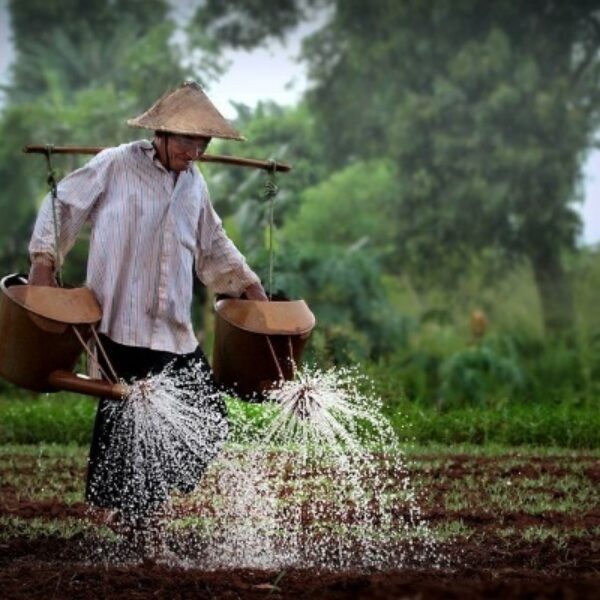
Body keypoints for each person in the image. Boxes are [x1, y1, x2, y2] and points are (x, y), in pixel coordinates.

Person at [27, 81, 268, 556]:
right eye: (186, 140)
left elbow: (212, 243)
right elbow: (64, 204)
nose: (195, 150)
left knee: (207, 419)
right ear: (160, 132)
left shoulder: (194, 184)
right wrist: (43, 262)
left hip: (172, 328)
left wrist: (249, 285)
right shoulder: (116, 164)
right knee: (135, 418)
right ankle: (138, 521)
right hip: (121, 320)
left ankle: (139, 509)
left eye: (203, 142)